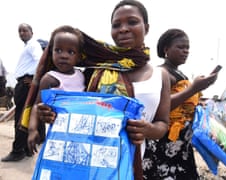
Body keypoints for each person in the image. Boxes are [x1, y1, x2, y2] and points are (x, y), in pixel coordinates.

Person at [30, 0, 170, 179]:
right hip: (87, 164)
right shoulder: (93, 71)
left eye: (132, 22)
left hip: (131, 166)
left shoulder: (160, 75)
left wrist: (147, 129)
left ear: (147, 27)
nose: (123, 29)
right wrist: (49, 113)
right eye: (116, 25)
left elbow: (163, 124)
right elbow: (73, 109)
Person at [142, 28, 218, 179]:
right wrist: (194, 88)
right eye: (180, 47)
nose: (185, 51)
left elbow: (185, 102)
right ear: (166, 49)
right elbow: (159, 105)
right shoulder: (161, 73)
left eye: (187, 48)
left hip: (181, 144)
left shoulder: (180, 74)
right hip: (164, 143)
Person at [27, 25, 86, 154]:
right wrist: (32, 130)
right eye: (58, 50)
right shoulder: (50, 79)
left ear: (79, 57)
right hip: (59, 135)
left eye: (70, 52)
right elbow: (37, 106)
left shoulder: (82, 76)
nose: (63, 56)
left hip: (81, 132)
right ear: (51, 52)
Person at [1, 23, 44, 162]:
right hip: (25, 83)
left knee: (20, 117)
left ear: (32, 31)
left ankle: (18, 150)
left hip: (26, 85)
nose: (22, 33)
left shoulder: (33, 45)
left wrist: (35, 80)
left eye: (25, 30)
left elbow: (40, 61)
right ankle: (26, 149)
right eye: (19, 31)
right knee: (26, 116)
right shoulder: (28, 47)